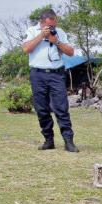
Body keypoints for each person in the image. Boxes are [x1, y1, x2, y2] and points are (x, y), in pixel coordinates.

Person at [22, 9, 79, 152]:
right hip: (38, 74)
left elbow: (71, 52)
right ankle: (48, 140)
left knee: (61, 107)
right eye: (49, 26)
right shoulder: (32, 31)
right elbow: (26, 49)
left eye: (54, 25)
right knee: (41, 108)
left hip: (56, 74)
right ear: (41, 23)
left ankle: (68, 141)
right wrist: (42, 35)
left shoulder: (60, 32)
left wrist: (57, 41)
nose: (52, 28)